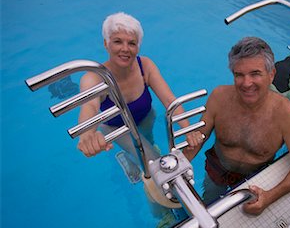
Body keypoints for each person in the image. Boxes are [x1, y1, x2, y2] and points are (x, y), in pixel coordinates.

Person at [184, 37, 290, 216]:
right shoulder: (219, 97)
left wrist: (269, 196)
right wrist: (182, 160)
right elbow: (199, 136)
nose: (246, 83)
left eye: (255, 74)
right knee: (209, 205)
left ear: (271, 74)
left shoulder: (286, 114)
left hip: (256, 177)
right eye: (239, 75)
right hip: (217, 169)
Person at [77, 12, 199, 180]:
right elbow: (90, 106)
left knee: (148, 144)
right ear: (106, 44)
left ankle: (129, 158)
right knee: (154, 162)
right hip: (117, 128)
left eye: (132, 43)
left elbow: (169, 100)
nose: (125, 49)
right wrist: (87, 136)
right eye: (118, 41)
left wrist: (187, 130)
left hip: (146, 117)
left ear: (138, 47)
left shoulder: (145, 66)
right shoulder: (94, 78)